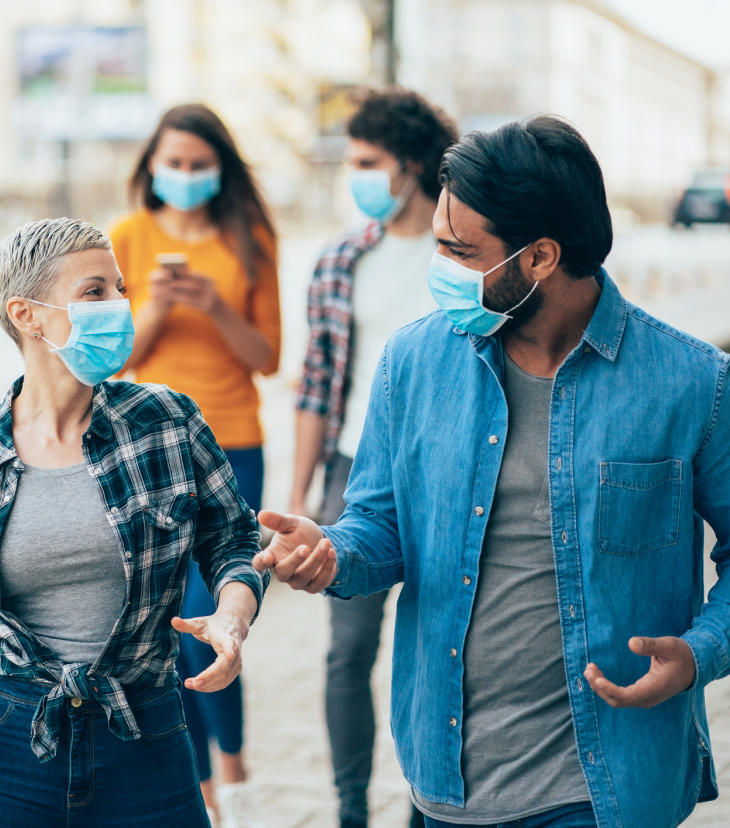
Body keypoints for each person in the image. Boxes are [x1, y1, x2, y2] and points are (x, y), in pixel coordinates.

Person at [256, 115, 730, 828]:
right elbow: (379, 527)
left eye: (459, 249)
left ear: (539, 257)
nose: (437, 266)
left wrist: (698, 655)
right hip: (447, 783)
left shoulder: (693, 383)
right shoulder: (411, 363)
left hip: (606, 791)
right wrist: (330, 555)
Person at [0, 218, 267, 828]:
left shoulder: (166, 422)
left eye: (120, 288)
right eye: (94, 292)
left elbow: (232, 536)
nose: (120, 305)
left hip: (145, 733)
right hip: (3, 743)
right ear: (27, 315)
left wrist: (233, 615)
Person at [289, 88, 458, 828]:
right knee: (346, 651)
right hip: (356, 472)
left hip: (453, 473)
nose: (355, 175)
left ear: (412, 162)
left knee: (449, 644)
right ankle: (351, 808)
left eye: (367, 161)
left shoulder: (466, 255)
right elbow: (317, 389)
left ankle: (442, 797)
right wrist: (300, 499)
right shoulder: (341, 261)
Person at [109, 103, 280, 827]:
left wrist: (213, 304)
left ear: (222, 169)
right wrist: (154, 307)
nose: (183, 175)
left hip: (233, 440)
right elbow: (114, 356)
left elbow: (267, 358)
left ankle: (231, 764)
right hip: (148, 449)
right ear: (151, 163)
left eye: (197, 163)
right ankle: (201, 776)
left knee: (218, 609)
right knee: (166, 617)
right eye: (171, 162)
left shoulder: (249, 239)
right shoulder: (125, 239)